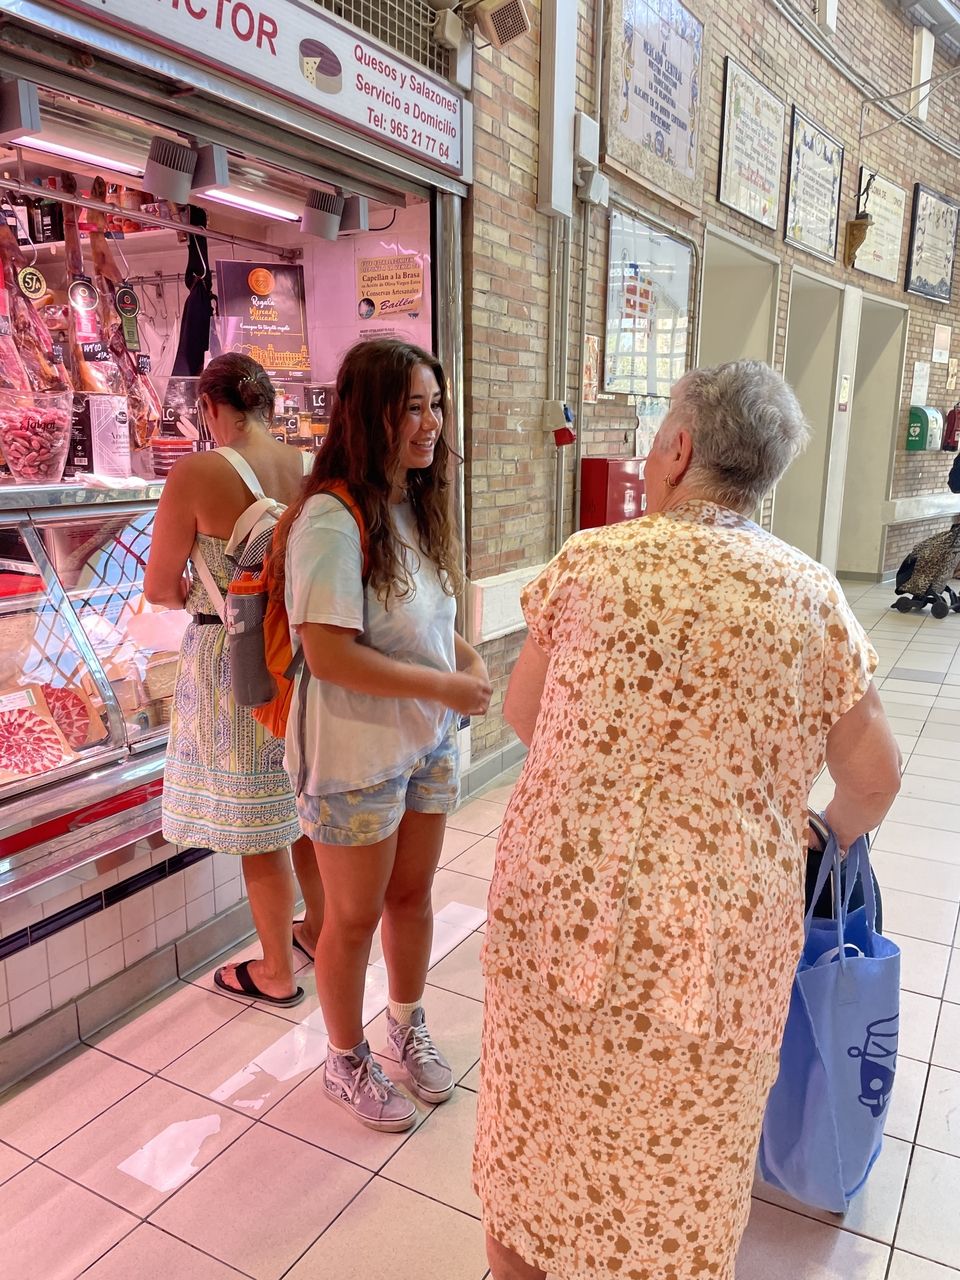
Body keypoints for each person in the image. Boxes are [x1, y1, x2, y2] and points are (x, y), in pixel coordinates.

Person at [473, 360, 902, 1280]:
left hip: (563, 902)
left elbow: (523, 715)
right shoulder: (810, 598)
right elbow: (875, 779)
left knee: (537, 1122)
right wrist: (828, 832)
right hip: (716, 932)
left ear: (676, 450)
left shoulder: (589, 562)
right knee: (685, 1143)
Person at [271, 338, 491, 1131]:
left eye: (436, 406)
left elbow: (426, 622)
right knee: (353, 916)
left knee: (412, 894)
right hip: (355, 752)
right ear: (372, 415)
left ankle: (405, 1022)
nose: (429, 424)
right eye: (411, 409)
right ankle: (345, 1058)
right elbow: (328, 654)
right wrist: (446, 684)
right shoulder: (332, 518)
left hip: (424, 741)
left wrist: (462, 662)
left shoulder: (414, 502)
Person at [145, 353, 325, 1007]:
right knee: (302, 808)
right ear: (269, 406)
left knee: (259, 826)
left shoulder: (196, 472)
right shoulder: (309, 468)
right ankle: (320, 934)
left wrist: (204, 580)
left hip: (232, 658)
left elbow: (161, 588)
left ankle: (276, 969)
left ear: (212, 409)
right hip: (298, 653)